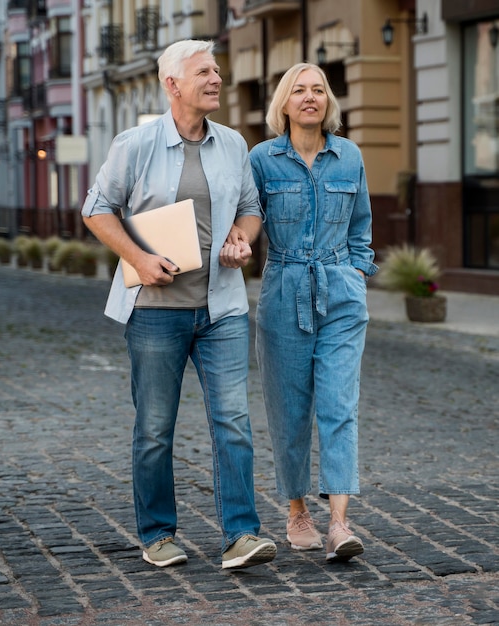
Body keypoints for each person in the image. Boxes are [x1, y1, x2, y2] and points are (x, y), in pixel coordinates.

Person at [81, 39, 276, 570]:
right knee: (154, 428)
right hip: (154, 312)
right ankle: (159, 534)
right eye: (204, 72)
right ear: (173, 84)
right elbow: (96, 210)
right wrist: (139, 260)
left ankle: (241, 535)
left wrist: (242, 238)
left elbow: (251, 208)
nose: (216, 79)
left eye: (217, 70)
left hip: (223, 310)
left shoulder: (233, 144)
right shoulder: (136, 144)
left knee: (233, 421)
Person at [249, 62, 378, 562]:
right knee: (289, 409)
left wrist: (357, 273)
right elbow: (248, 219)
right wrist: (240, 244)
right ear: (283, 103)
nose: (309, 97)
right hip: (283, 290)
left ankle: (340, 523)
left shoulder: (349, 157)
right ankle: (297, 510)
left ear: (329, 101)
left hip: (341, 291)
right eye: (298, 90)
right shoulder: (262, 159)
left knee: (339, 406)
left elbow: (362, 224)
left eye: (318, 90)